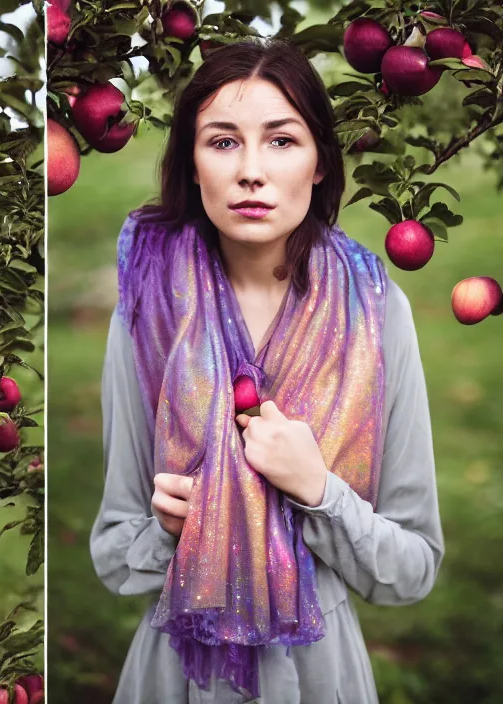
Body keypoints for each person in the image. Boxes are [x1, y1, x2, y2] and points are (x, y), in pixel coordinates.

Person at [89, 36, 444, 704]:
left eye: (281, 141)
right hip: (178, 677)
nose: (251, 170)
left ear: (319, 164)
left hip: (316, 676)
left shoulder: (374, 314)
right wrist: (168, 532)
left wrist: (318, 490)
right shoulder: (149, 313)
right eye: (223, 142)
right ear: (192, 165)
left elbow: (412, 571)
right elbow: (116, 558)